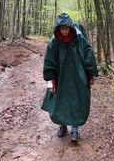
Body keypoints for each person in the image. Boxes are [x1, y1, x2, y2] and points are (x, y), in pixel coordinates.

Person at [41, 13, 98, 142]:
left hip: (78, 76)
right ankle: (63, 125)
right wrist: (51, 81)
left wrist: (90, 73)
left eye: (67, 29)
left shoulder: (79, 39)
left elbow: (88, 54)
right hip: (61, 77)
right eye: (62, 29)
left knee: (77, 100)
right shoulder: (54, 42)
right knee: (61, 101)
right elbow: (49, 62)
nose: (65, 31)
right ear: (58, 29)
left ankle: (75, 129)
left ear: (71, 28)